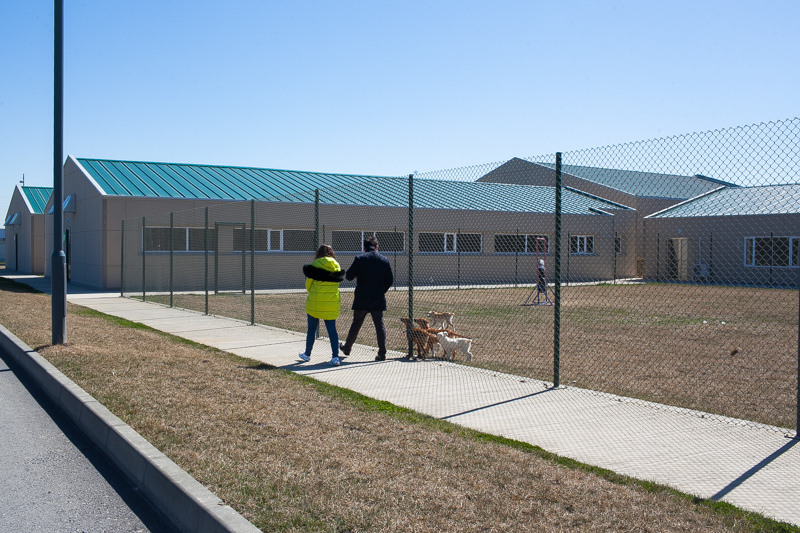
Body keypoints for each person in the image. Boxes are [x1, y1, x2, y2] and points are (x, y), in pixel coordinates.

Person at [339, 236, 394, 361]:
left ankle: (347, 348)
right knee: (379, 325)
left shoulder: (360, 259)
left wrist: (358, 275)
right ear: (376, 247)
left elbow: (349, 276)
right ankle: (382, 353)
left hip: (362, 298)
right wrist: (381, 291)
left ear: (364, 248)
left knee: (356, 323)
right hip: (377, 298)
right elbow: (390, 280)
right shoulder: (384, 260)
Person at [300, 244, 345, 366]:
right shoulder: (336, 265)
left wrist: (314, 293)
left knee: (311, 329)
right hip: (331, 303)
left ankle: (307, 354)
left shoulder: (315, 265)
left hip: (315, 303)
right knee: (332, 330)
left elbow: (308, 284)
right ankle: (335, 357)